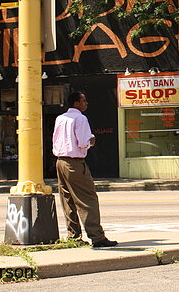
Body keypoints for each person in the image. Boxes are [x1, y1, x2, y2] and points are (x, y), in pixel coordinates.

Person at [53, 91, 118, 248]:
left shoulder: (60, 118)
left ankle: (73, 235)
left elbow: (55, 139)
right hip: (75, 162)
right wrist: (91, 141)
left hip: (60, 161)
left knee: (67, 199)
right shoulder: (81, 119)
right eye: (84, 101)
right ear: (76, 104)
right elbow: (83, 142)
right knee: (87, 198)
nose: (86, 103)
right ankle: (97, 237)